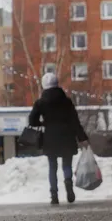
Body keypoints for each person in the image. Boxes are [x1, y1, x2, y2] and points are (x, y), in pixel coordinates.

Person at [28, 73, 89, 205]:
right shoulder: (67, 101)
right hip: (67, 136)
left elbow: (32, 120)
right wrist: (82, 138)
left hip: (50, 137)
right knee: (66, 164)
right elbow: (75, 121)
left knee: (52, 167)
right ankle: (68, 183)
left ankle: (54, 195)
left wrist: (43, 123)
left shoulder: (41, 102)